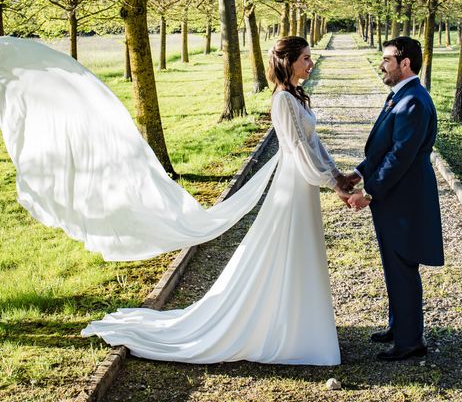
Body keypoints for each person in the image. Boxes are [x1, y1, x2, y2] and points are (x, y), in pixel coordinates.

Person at [0, 35, 350, 365]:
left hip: (302, 184)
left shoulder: (297, 97)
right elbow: (298, 151)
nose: (311, 63)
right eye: (306, 59)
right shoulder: (283, 100)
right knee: (287, 249)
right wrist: (333, 183)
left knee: (298, 250)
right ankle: (287, 329)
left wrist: (337, 176)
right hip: (293, 185)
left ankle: (297, 324)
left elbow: (313, 145)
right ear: (288, 62)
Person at [342, 36, 444, 361]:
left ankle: (410, 341)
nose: (381, 65)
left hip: (404, 199)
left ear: (405, 63)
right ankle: (399, 325)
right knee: (393, 265)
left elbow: (400, 156)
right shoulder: (400, 96)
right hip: (395, 198)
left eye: (387, 59)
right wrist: (357, 174)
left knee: (403, 266)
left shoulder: (413, 101)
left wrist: (369, 193)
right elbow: (383, 147)